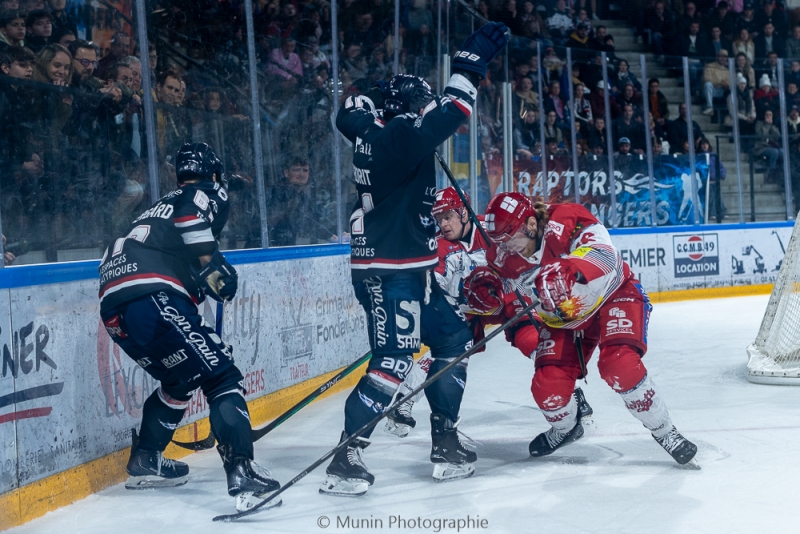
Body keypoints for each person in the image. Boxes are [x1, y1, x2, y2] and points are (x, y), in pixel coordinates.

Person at [321, 23, 509, 497]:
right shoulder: (398, 136)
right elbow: (453, 112)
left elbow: (350, 112)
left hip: (405, 267)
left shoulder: (367, 128)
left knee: (451, 336)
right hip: (392, 271)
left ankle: (444, 440)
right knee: (394, 359)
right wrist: (470, 61)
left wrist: (397, 97)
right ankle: (346, 457)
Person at [98, 143, 283, 513]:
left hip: (114, 304)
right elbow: (189, 216)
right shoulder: (203, 191)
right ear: (215, 173)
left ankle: (147, 459)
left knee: (181, 380)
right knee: (222, 376)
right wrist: (213, 264)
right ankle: (242, 470)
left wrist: (201, 275)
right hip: (153, 294)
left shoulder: (155, 208)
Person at [482, 192, 698, 466]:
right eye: (500, 242)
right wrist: (487, 293)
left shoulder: (567, 219)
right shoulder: (503, 255)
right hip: (566, 319)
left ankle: (664, 431)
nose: (507, 249)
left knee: (620, 365)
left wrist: (569, 268)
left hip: (613, 293)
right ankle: (566, 428)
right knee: (547, 387)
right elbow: (501, 289)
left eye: (510, 239)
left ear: (531, 225)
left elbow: (606, 257)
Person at [384, 187, 594, 438]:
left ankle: (574, 394)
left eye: (448, 216)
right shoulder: (437, 246)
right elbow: (435, 285)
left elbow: (526, 253)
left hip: (506, 298)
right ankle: (403, 401)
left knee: (534, 337)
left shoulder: (491, 229)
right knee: (450, 349)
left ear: (464, 212)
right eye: (438, 218)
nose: (443, 224)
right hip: (467, 306)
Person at [702, 49, 730, 115]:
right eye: (721, 56)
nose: (723, 58)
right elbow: (707, 79)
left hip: (722, 91)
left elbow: (729, 83)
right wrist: (720, 82)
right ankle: (710, 107)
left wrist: (725, 84)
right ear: (717, 57)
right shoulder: (709, 66)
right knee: (708, 84)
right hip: (711, 90)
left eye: (725, 57)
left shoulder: (727, 70)